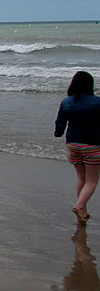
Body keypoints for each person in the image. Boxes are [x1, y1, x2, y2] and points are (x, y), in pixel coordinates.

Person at [54, 71, 100, 225]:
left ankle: (83, 210)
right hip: (93, 144)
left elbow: (60, 126)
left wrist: (58, 133)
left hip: (73, 144)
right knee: (92, 181)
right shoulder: (97, 102)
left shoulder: (66, 102)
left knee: (82, 178)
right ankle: (79, 206)